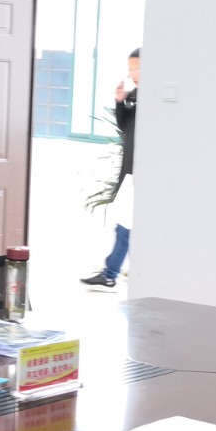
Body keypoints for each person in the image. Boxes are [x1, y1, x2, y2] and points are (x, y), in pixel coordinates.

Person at [80, 48, 140, 288]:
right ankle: (111, 273)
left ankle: (114, 274)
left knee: (128, 227)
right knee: (124, 226)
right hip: (130, 171)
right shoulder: (136, 94)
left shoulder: (154, 96)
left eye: (137, 68)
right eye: (130, 69)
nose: (133, 73)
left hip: (139, 174)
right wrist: (120, 101)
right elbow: (126, 127)